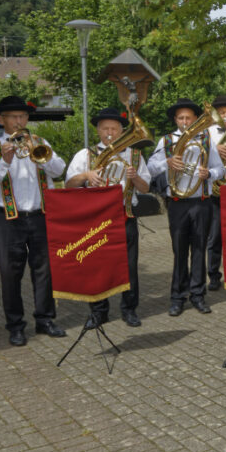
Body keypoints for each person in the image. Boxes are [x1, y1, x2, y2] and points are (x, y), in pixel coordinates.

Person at [0, 95, 67, 346]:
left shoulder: (39, 142)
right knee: (10, 274)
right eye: (13, 117)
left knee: (44, 271)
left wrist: (44, 157)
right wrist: (4, 161)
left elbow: (59, 171)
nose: (19, 121)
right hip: (7, 219)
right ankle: (15, 326)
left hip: (40, 216)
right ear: (1, 119)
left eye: (23, 116)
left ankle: (45, 319)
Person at [66, 107, 152, 328]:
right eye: (105, 128)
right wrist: (86, 175)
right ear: (98, 131)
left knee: (129, 267)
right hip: (97, 220)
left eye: (114, 128)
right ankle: (98, 312)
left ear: (122, 131)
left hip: (125, 216)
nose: (110, 133)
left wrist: (135, 177)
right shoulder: (85, 155)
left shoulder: (134, 155)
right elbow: (68, 184)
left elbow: (145, 188)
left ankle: (129, 310)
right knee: (97, 267)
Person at [147, 98, 224, 316]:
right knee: (179, 250)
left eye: (188, 117)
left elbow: (222, 170)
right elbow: (151, 168)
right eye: (180, 118)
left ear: (195, 119)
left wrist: (208, 173)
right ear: (175, 120)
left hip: (201, 202)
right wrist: (167, 163)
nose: (184, 121)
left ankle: (198, 295)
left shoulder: (207, 140)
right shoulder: (167, 141)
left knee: (199, 249)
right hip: (178, 203)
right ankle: (178, 297)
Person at [206, 94, 226, 291]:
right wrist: (215, 149)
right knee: (215, 235)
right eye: (222, 113)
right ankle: (214, 275)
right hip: (216, 188)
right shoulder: (208, 132)